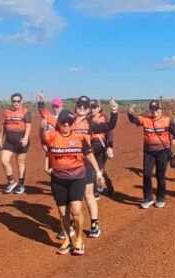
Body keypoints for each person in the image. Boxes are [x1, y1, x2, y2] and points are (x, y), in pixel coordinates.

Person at [37, 93, 118, 239]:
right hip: (68, 162)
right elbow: (47, 117)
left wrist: (114, 112)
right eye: (79, 105)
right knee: (69, 199)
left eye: (85, 106)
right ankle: (71, 226)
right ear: (75, 107)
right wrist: (41, 103)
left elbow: (110, 126)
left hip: (86, 163)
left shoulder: (90, 123)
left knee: (88, 195)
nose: (82, 108)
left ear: (88, 110)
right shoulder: (67, 121)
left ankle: (94, 224)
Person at [41, 110, 105, 255]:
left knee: (76, 210)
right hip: (58, 179)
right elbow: (45, 143)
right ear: (59, 123)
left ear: (72, 124)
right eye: (63, 122)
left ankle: (79, 240)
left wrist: (98, 172)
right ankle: (67, 240)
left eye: (69, 123)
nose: (66, 125)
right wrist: (41, 128)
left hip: (77, 178)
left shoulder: (80, 137)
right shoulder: (53, 136)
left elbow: (89, 154)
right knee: (63, 212)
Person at [128, 100, 174, 208]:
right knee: (147, 174)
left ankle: (161, 197)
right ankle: (148, 198)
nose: (154, 112)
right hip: (149, 152)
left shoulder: (166, 120)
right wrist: (130, 113)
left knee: (160, 175)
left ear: (160, 109)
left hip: (163, 151)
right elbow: (133, 120)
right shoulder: (145, 120)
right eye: (152, 109)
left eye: (156, 109)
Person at [0, 93, 31, 194]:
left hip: (21, 140)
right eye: (14, 101)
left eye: (18, 101)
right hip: (9, 141)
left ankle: (21, 185)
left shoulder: (25, 112)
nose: (16, 103)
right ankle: (11, 182)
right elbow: (3, 127)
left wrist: (25, 138)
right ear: (11, 101)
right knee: (4, 160)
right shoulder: (7, 112)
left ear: (21, 101)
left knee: (20, 163)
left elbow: (28, 126)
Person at [89, 98, 116, 198]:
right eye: (90, 107)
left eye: (94, 107)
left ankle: (96, 191)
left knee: (98, 169)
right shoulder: (87, 119)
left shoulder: (104, 118)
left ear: (99, 107)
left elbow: (109, 132)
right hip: (90, 147)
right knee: (94, 169)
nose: (92, 109)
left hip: (102, 147)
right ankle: (107, 183)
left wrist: (110, 147)